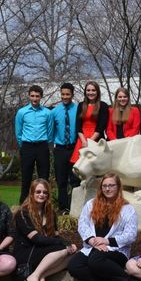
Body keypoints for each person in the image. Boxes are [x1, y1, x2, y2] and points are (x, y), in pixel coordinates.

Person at [67, 173, 139, 281]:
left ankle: (129, 279)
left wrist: (106, 241)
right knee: (74, 266)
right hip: (93, 247)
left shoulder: (127, 209)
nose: (107, 188)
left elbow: (131, 235)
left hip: (115, 251)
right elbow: (82, 224)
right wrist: (93, 241)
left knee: (95, 261)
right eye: (104, 186)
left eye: (111, 185)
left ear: (118, 187)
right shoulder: (91, 204)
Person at [13, 179, 77, 281]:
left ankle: (40, 275)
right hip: (26, 251)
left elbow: (56, 235)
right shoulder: (23, 213)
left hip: (42, 249)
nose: (41, 195)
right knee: (62, 250)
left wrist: (69, 244)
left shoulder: (49, 212)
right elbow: (36, 239)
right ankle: (33, 277)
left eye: (45, 192)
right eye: (38, 192)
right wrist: (62, 244)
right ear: (32, 193)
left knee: (72, 254)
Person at [14, 85, 54, 204]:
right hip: (27, 147)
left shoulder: (47, 113)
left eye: (37, 96)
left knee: (44, 178)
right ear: (29, 96)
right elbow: (18, 132)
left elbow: (50, 131)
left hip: (42, 146)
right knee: (26, 178)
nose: (35, 98)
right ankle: (24, 205)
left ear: (41, 97)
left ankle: (45, 204)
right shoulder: (22, 112)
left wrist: (45, 143)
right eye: (32, 96)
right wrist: (24, 145)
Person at [51, 82, 81, 213]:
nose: (65, 96)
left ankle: (75, 207)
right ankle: (63, 208)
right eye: (63, 94)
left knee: (75, 180)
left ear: (72, 95)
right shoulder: (54, 111)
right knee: (61, 180)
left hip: (75, 148)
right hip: (60, 149)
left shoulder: (78, 109)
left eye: (68, 94)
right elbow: (51, 131)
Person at [70, 81, 109, 165]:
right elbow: (78, 126)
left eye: (93, 90)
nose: (90, 92)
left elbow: (101, 127)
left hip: (96, 139)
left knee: (95, 166)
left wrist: (90, 142)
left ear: (97, 92)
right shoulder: (81, 105)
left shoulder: (103, 105)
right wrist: (84, 141)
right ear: (85, 92)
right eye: (88, 90)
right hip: (82, 139)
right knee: (80, 167)